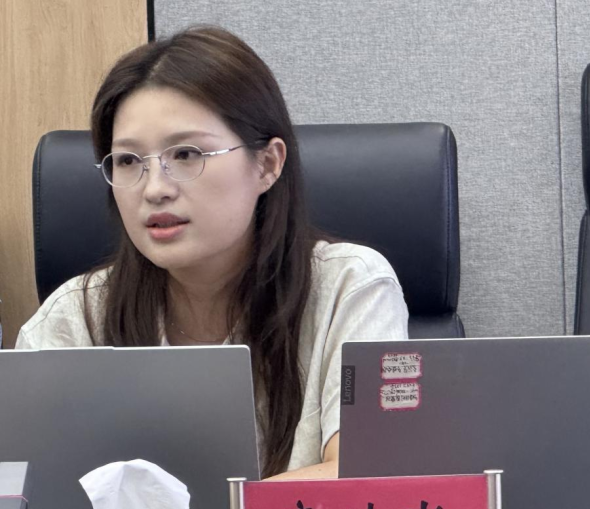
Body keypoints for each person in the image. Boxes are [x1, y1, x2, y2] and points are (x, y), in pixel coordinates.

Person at [16, 26, 409, 480]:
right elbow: (26, 494)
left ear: (267, 164)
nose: (155, 189)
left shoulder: (349, 287)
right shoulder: (74, 318)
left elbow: (364, 479)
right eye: (128, 161)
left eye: (186, 154)